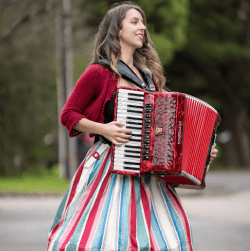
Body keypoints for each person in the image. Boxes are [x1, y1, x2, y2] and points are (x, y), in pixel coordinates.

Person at [47, 2, 218, 251]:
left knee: (166, 239)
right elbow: (68, 114)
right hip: (109, 168)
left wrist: (202, 154)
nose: (143, 27)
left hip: (148, 174)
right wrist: (104, 129)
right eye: (135, 21)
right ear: (117, 29)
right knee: (107, 238)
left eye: (142, 22)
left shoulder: (148, 77)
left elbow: (169, 132)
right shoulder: (100, 72)